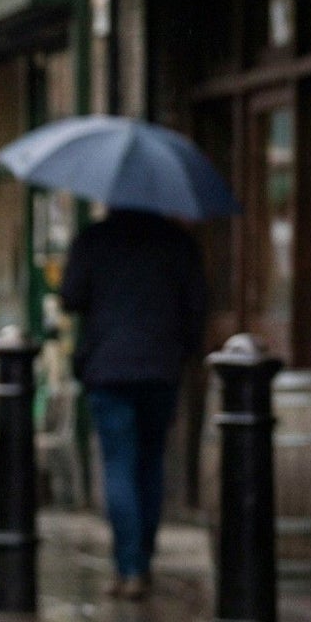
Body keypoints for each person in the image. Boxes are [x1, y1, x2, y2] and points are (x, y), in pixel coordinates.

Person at [59, 206, 208, 600]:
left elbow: (70, 296)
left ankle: (129, 567)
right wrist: (183, 353)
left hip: (108, 368)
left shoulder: (95, 239)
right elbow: (197, 305)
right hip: (160, 367)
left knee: (119, 464)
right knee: (150, 462)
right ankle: (142, 561)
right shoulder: (176, 241)